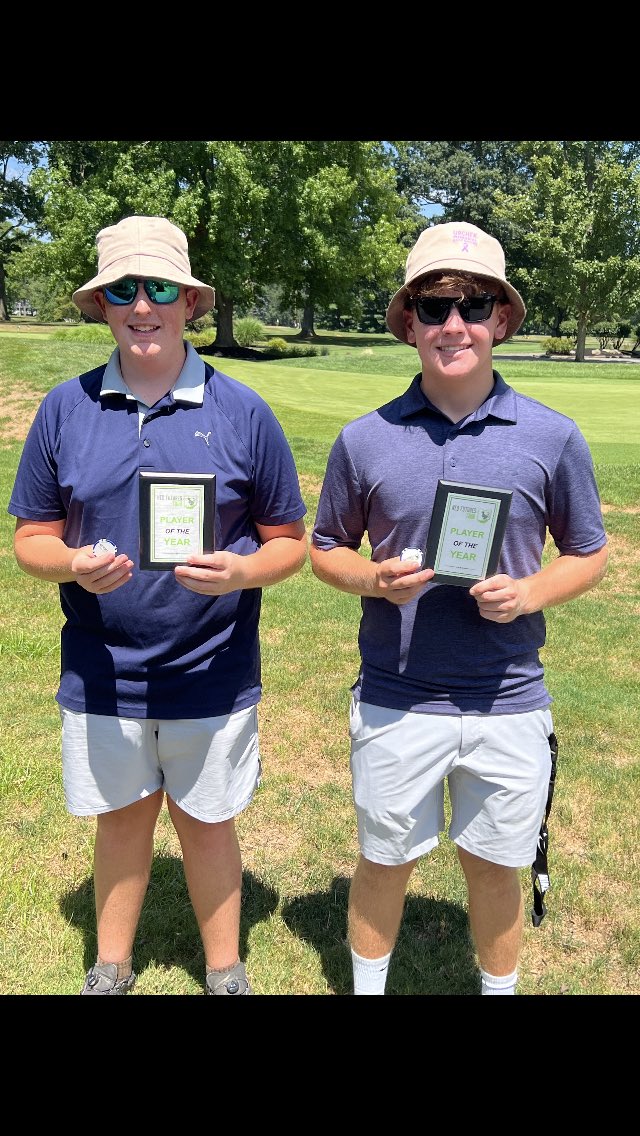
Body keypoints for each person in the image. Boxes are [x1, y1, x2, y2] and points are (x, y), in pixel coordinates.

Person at [8, 215, 307, 995]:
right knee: (122, 820)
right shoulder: (64, 410)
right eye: (125, 290)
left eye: (161, 288)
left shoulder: (243, 411)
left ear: (190, 303)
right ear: (103, 305)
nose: (144, 305)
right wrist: (72, 562)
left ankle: (224, 969)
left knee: (208, 823)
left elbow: (289, 541)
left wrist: (241, 574)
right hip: (104, 668)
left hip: (212, 667)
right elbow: (31, 537)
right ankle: (111, 965)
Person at [310, 221, 608, 996]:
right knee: (385, 859)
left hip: (507, 695)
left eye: (474, 305)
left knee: (494, 865)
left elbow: (589, 552)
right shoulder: (364, 438)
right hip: (397, 694)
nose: (455, 324)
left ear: (500, 320)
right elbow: (324, 549)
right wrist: (372, 582)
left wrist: (532, 591)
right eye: (435, 306)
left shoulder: (552, 435)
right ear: (409, 320)